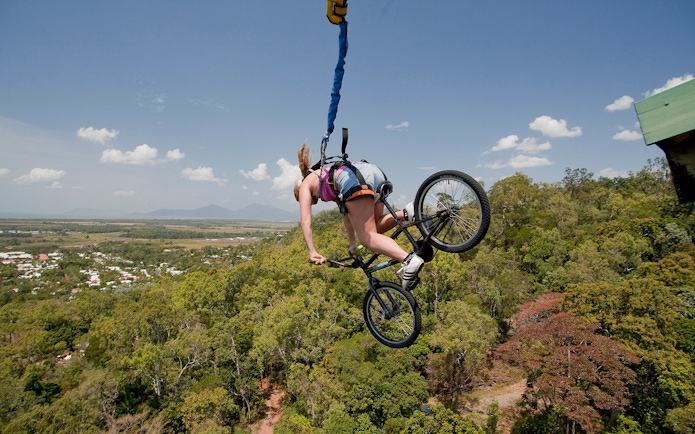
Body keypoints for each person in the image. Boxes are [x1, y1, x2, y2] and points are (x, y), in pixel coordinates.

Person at [294, 143, 424, 290]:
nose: (315, 200)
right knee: (375, 228)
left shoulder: (305, 185)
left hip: (355, 180)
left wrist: (312, 252)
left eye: (313, 199)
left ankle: (408, 260)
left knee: (367, 238)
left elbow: (305, 221)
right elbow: (346, 215)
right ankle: (407, 213)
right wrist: (352, 244)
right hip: (372, 172)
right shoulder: (326, 175)